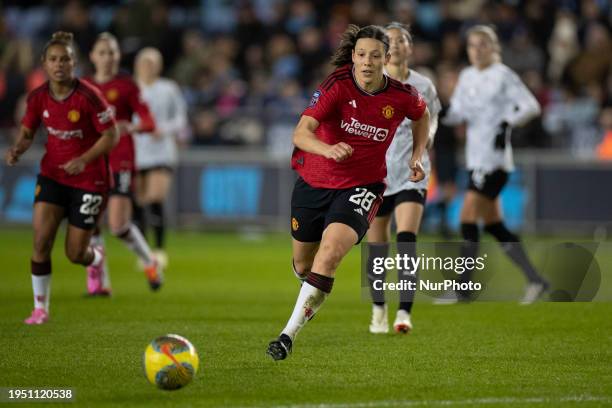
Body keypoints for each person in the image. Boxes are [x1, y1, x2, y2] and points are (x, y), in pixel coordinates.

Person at [267, 24, 430, 361]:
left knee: (329, 255)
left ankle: (286, 336)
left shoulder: (402, 95)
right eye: (361, 55)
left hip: (362, 186)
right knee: (303, 264)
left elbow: (422, 114)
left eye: (374, 55)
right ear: (353, 57)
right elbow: (301, 133)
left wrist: (417, 154)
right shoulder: (336, 85)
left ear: (386, 58)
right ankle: (310, 288)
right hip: (314, 182)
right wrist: (327, 150)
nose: (367, 62)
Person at [3, 31, 119, 324]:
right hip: (52, 176)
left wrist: (83, 160)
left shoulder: (89, 96)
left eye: (65, 59)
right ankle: (40, 309)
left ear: (74, 63)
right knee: (41, 242)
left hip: (90, 180)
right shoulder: (37, 97)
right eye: (53, 59)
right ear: (44, 63)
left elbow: (111, 135)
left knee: (74, 253)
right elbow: (29, 130)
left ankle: (95, 259)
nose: (59, 65)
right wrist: (18, 147)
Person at [442, 25, 548, 304]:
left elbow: (531, 106)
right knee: (494, 226)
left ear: (493, 47)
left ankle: (464, 288)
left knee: (467, 217)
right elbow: (458, 112)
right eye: (472, 45)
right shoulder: (466, 76)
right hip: (475, 160)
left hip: (495, 162)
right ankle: (536, 280)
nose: (477, 50)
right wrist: (439, 112)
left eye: (482, 45)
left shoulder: (503, 75)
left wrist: (506, 123)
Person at [366, 22, 441, 335]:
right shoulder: (371, 82)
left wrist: (426, 142)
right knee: (378, 245)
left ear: (410, 47)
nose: (395, 45)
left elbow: (433, 120)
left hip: (413, 170)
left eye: (401, 40)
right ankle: (378, 307)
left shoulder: (423, 84)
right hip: (377, 173)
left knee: (407, 238)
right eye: (389, 41)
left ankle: (404, 312)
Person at [84, 33, 162, 294]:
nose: (108, 58)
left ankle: (149, 261)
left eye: (112, 53)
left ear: (118, 56)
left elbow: (149, 122)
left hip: (121, 159)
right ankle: (99, 283)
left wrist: (131, 126)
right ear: (93, 56)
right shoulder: (83, 86)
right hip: (93, 160)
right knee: (91, 222)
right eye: (102, 52)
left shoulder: (127, 86)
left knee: (117, 225)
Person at [132, 47, 188, 268]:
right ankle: (143, 251)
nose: (149, 67)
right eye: (145, 62)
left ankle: (159, 250)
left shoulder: (168, 88)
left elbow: (181, 118)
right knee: (139, 201)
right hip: (137, 150)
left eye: (153, 62)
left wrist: (162, 129)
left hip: (161, 150)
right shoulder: (131, 89)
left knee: (155, 197)